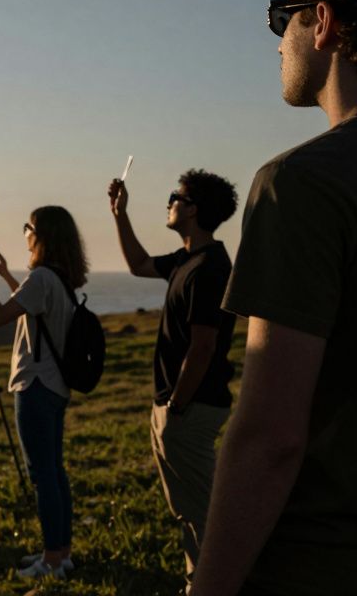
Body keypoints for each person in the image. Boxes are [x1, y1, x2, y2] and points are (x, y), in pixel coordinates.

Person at [192, 0, 357, 596]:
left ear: (323, 22)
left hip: (327, 562)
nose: (277, 43)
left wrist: (210, 587)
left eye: (279, 18)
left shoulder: (305, 184)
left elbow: (270, 437)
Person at [107, 169, 238, 582]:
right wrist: (119, 215)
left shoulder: (209, 267)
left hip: (190, 408)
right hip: (175, 405)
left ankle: (213, 583)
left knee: (203, 515)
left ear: (193, 209)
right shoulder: (187, 258)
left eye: (175, 197)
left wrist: (177, 405)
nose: (169, 203)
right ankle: (197, 583)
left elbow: (203, 347)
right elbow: (139, 264)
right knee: (189, 511)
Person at [0, 206, 88, 580]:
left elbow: (0, 316)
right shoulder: (59, 278)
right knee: (54, 470)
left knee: (42, 474)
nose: (25, 232)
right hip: (56, 386)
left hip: (34, 384)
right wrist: (4, 275)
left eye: (28, 227)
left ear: (41, 235)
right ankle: (61, 552)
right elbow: (32, 305)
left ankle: (50, 560)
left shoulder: (42, 276)